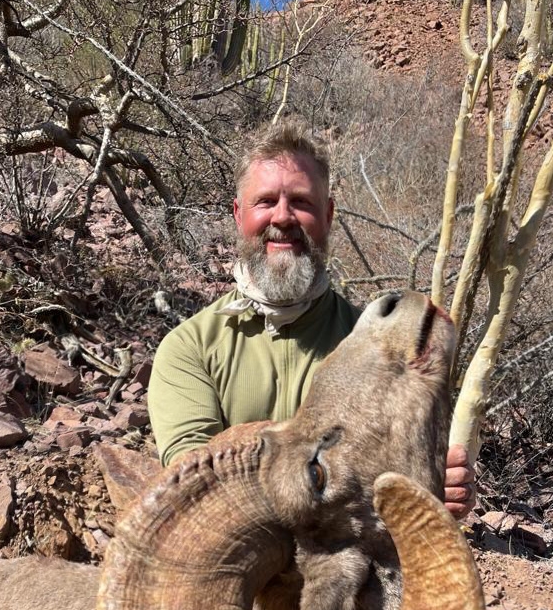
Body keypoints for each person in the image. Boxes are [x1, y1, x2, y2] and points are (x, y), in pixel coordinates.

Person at [148, 122, 475, 520]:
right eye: (265, 201)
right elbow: (196, 488)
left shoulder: (380, 350)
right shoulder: (189, 349)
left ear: (328, 215)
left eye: (301, 202)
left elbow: (400, 485)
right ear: (239, 214)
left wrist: (433, 484)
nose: (283, 218)